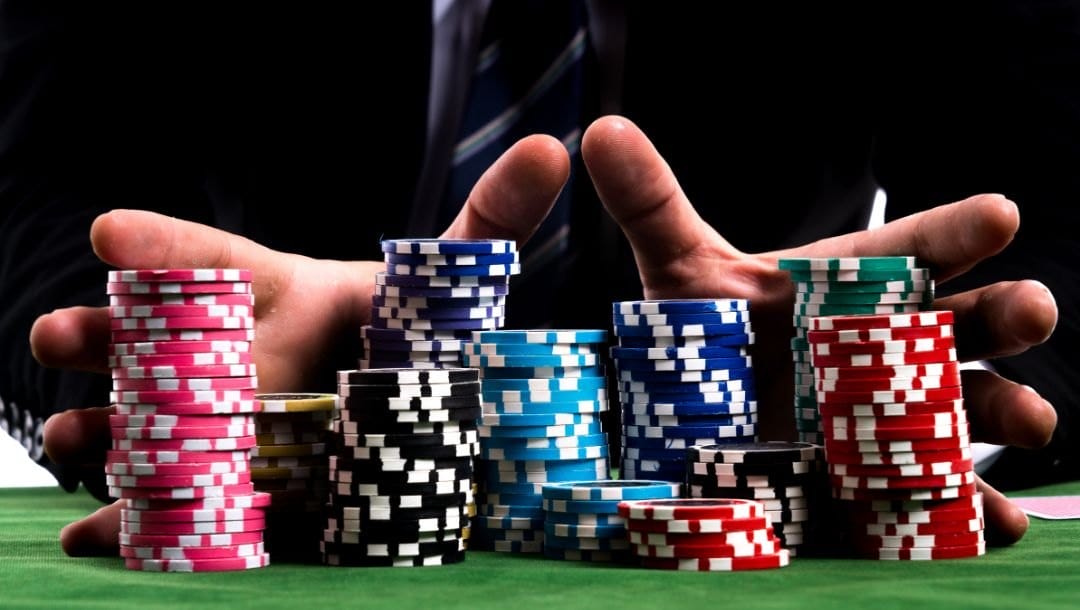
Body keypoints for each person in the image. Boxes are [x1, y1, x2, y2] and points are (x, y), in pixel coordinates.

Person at [1, 1, 1074, 556]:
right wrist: (185, 392)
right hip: (305, 477)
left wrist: (886, 413)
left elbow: (1055, 193)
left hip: (772, 426)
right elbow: (32, 177)